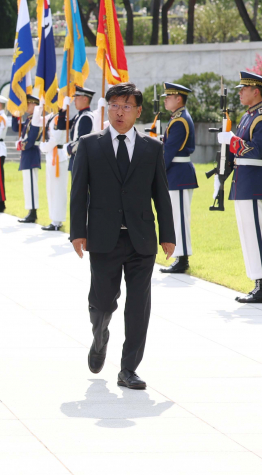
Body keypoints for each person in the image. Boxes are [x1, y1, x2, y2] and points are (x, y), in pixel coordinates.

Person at [70, 82, 175, 390]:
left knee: (139, 306)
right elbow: (78, 192)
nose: (119, 111)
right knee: (102, 303)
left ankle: (128, 368)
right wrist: (78, 232)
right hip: (103, 238)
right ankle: (100, 335)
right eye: (114, 105)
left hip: (141, 239)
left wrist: (167, 235)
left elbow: (161, 194)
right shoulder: (90, 144)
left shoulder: (152, 147)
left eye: (126, 106)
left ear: (138, 111)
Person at [217, 71, 262, 303]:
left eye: (244, 89)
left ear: (256, 91)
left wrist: (231, 140)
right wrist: (221, 176)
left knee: (256, 233)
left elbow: (259, 149)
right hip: (243, 181)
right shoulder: (247, 116)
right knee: (247, 234)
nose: (240, 92)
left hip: (254, 181)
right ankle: (257, 284)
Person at [158, 83, 197, 274]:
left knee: (180, 217)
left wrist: (156, 171)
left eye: (169, 96)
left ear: (178, 99)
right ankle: (179, 257)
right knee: (176, 216)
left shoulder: (180, 120)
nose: (165, 99)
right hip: (177, 173)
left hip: (179, 174)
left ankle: (182, 259)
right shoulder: (177, 118)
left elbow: (169, 152)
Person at [40, 91, 75, 232]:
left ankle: (57, 221)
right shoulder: (52, 116)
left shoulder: (60, 117)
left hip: (58, 156)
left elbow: (57, 137)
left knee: (58, 190)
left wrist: (44, 147)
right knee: (51, 190)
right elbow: (38, 122)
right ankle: (54, 219)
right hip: (51, 156)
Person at [16, 93, 42, 224]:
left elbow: (31, 140)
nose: (25, 106)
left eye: (28, 103)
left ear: (34, 104)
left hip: (31, 154)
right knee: (27, 184)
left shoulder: (36, 120)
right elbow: (16, 128)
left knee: (31, 185)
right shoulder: (28, 119)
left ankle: (33, 213)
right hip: (26, 155)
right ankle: (30, 211)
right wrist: (16, 112)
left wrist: (21, 145)